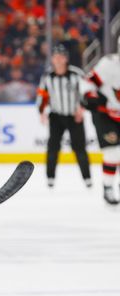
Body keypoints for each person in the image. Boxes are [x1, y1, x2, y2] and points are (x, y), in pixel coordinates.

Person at [36, 44, 91, 189]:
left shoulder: (76, 74)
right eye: (55, 57)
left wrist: (82, 108)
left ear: (66, 58)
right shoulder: (48, 76)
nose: (58, 60)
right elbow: (42, 96)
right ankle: (50, 178)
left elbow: (87, 92)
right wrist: (42, 112)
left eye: (61, 57)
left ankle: (87, 178)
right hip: (56, 116)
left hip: (74, 116)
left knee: (79, 148)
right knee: (53, 148)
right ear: (52, 59)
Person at [82, 36, 120, 205]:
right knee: (113, 152)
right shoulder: (109, 64)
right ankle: (108, 187)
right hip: (105, 114)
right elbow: (88, 84)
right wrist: (89, 96)